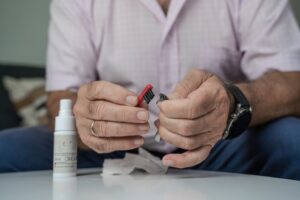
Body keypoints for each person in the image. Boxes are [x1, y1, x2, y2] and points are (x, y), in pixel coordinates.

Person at [1, 0, 300, 180]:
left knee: (293, 140)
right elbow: (59, 103)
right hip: (106, 151)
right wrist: (86, 119)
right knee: (6, 151)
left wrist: (233, 103)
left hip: (225, 142)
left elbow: (294, 84)